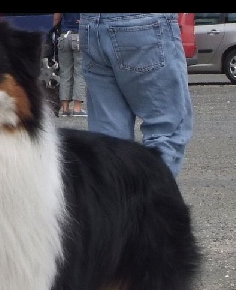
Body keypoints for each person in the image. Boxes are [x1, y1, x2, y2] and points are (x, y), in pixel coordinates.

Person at [79, 13, 193, 178]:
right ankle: (151, 200)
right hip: (143, 22)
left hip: (91, 25)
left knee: (107, 142)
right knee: (166, 131)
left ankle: (115, 201)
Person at [53, 13, 87, 117]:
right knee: (80, 73)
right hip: (79, 36)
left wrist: (55, 27)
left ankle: (65, 109)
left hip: (64, 37)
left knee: (65, 73)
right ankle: (77, 109)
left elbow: (57, 17)